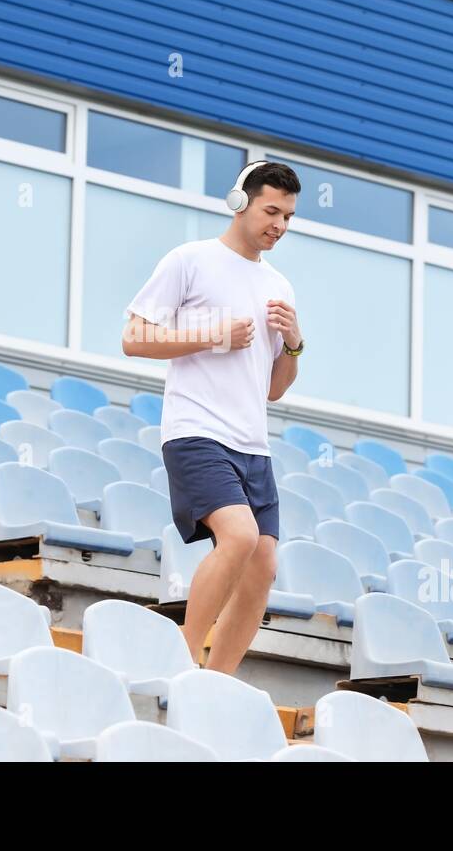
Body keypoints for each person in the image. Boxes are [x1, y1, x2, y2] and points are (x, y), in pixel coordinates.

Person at [121, 160, 305, 673]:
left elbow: (275, 389)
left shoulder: (280, 288)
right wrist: (212, 336)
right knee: (240, 537)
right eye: (272, 211)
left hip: (253, 443)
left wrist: (294, 344)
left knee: (263, 564)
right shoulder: (190, 260)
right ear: (239, 202)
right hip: (195, 431)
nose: (280, 225)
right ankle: (179, 657)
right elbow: (134, 339)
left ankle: (217, 681)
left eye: (289, 216)